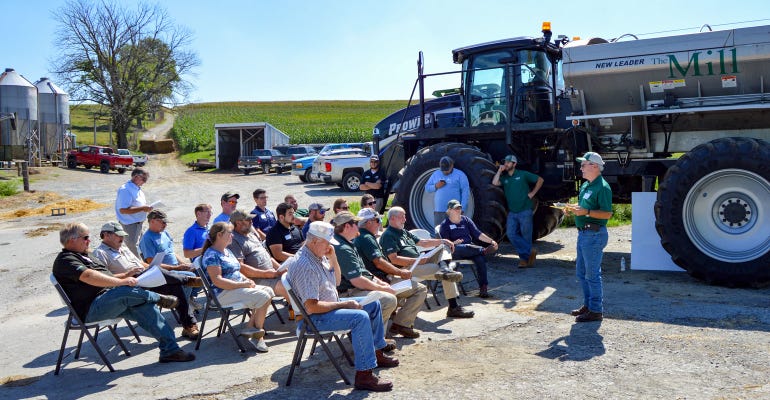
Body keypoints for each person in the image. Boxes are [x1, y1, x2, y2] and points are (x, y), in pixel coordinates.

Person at [52, 222, 195, 363]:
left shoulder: (87, 256)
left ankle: (170, 350)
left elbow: (109, 278)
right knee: (125, 292)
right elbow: (88, 276)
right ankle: (157, 298)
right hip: (91, 308)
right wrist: (122, 282)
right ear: (72, 240)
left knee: (146, 307)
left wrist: (126, 276)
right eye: (85, 237)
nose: (89, 240)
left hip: (110, 300)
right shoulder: (66, 260)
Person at [285, 221, 399, 392]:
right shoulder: (305, 264)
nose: (330, 246)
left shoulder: (316, 255)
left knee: (373, 304)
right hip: (314, 319)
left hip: (327, 310)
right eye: (327, 242)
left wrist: (334, 258)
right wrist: (346, 303)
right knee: (359, 317)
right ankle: (364, 376)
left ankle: (375, 353)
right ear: (315, 241)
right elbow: (311, 307)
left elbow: (336, 281)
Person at [92, 222, 201, 340]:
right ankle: (186, 280)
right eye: (118, 235)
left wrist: (151, 267)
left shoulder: (123, 247)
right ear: (106, 235)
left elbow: (140, 264)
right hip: (129, 286)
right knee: (174, 280)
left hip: (144, 279)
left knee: (175, 286)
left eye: (122, 235)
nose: (122, 238)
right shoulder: (100, 253)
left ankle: (188, 325)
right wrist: (127, 274)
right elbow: (105, 279)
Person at [380, 206, 475, 318]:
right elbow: (394, 259)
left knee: (444, 247)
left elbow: (423, 242)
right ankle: (453, 306)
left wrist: (443, 240)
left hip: (419, 262)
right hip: (406, 268)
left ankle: (444, 267)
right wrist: (418, 261)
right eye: (402, 217)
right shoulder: (388, 235)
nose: (405, 219)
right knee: (448, 274)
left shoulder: (403, 232)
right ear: (392, 219)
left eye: (405, 216)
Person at [201, 222, 275, 352]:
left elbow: (236, 270)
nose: (233, 236)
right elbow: (217, 281)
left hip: (236, 288)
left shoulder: (227, 250)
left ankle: (252, 329)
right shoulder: (212, 255)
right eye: (230, 233)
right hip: (222, 293)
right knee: (262, 295)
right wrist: (243, 284)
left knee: (268, 290)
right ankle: (257, 336)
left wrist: (247, 280)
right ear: (219, 235)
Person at [354, 208, 428, 338]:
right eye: (377, 220)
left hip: (375, 279)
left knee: (408, 290)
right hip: (379, 280)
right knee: (420, 290)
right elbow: (379, 263)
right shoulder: (366, 238)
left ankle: (396, 324)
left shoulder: (361, 236)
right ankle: (401, 325)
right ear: (368, 222)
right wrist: (400, 272)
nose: (380, 223)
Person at [565, 152, 612, 323]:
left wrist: (587, 212)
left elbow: (607, 214)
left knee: (592, 274)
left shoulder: (603, 187)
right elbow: (583, 206)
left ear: (594, 166)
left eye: (584, 165)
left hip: (594, 234)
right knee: (582, 272)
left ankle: (596, 310)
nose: (581, 168)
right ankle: (588, 305)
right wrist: (572, 208)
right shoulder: (586, 186)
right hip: (584, 233)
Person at [331, 212, 398, 325]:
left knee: (390, 294)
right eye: (356, 223)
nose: (359, 226)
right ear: (347, 226)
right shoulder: (342, 248)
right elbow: (357, 280)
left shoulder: (347, 243)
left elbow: (362, 271)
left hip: (354, 289)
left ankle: (379, 335)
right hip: (347, 293)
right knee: (388, 300)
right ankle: (372, 337)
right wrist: (382, 288)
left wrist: (380, 283)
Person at [439, 200, 498, 298]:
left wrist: (491, 241)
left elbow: (478, 234)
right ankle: (483, 251)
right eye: (456, 208)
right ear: (449, 210)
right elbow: (444, 244)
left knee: (480, 259)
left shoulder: (466, 220)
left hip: (470, 249)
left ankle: (483, 288)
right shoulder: (445, 225)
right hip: (455, 250)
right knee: (466, 248)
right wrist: (453, 243)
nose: (458, 210)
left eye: (459, 208)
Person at [492, 154, 544, 267]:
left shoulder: (523, 174)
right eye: (505, 162)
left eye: (508, 162)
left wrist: (532, 193)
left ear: (514, 164)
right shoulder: (505, 178)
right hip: (512, 212)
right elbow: (495, 183)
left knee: (526, 236)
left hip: (525, 210)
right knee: (511, 234)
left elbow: (540, 180)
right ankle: (529, 252)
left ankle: (524, 260)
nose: (506, 164)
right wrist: (500, 171)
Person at [228, 209, 289, 299]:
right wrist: (265, 274)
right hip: (257, 279)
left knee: (298, 278)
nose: (251, 222)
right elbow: (241, 268)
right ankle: (300, 311)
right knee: (287, 288)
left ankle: (295, 310)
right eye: (248, 220)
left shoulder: (252, 235)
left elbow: (268, 257)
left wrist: (280, 270)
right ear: (238, 223)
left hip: (271, 274)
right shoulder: (233, 240)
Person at [138, 210, 195, 276]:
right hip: (165, 273)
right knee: (191, 276)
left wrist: (184, 264)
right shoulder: (147, 239)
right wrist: (176, 268)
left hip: (175, 268)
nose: (165, 225)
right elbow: (152, 263)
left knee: (197, 270)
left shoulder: (164, 233)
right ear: (152, 221)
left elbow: (171, 252)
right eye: (163, 222)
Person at [115, 168, 152, 257]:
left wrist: (145, 208)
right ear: (136, 177)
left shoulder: (137, 188)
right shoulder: (126, 189)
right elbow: (123, 210)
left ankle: (145, 265)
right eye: (144, 179)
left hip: (138, 224)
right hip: (130, 225)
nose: (145, 182)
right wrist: (143, 208)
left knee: (142, 246)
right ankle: (139, 268)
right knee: (133, 248)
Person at [424, 156, 470, 226]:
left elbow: (465, 192)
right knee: (439, 233)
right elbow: (427, 188)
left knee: (454, 233)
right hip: (439, 211)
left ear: (452, 165)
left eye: (447, 170)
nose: (445, 172)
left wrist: (462, 208)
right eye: (443, 170)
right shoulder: (436, 174)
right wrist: (436, 186)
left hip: (454, 210)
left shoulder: (460, 175)